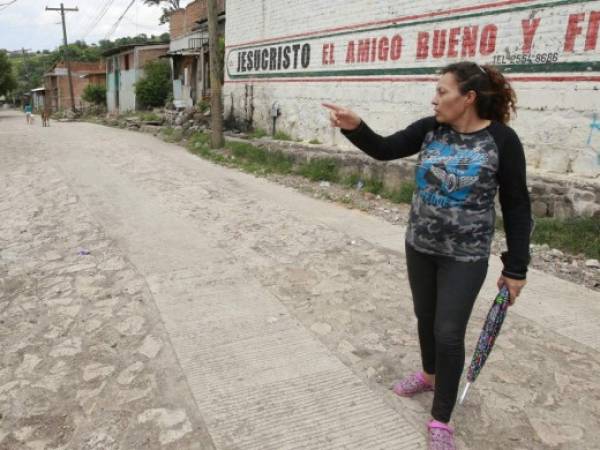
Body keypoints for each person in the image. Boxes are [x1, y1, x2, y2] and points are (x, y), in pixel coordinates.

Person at [323, 61, 531, 450]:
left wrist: (516, 267)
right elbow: (385, 149)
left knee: (448, 333)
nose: (434, 99)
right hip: (419, 245)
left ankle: (441, 418)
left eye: (442, 92)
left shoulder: (502, 140)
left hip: (465, 256)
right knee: (426, 317)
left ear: (468, 98)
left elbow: (517, 206)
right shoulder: (430, 129)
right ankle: (430, 375)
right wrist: (356, 126)